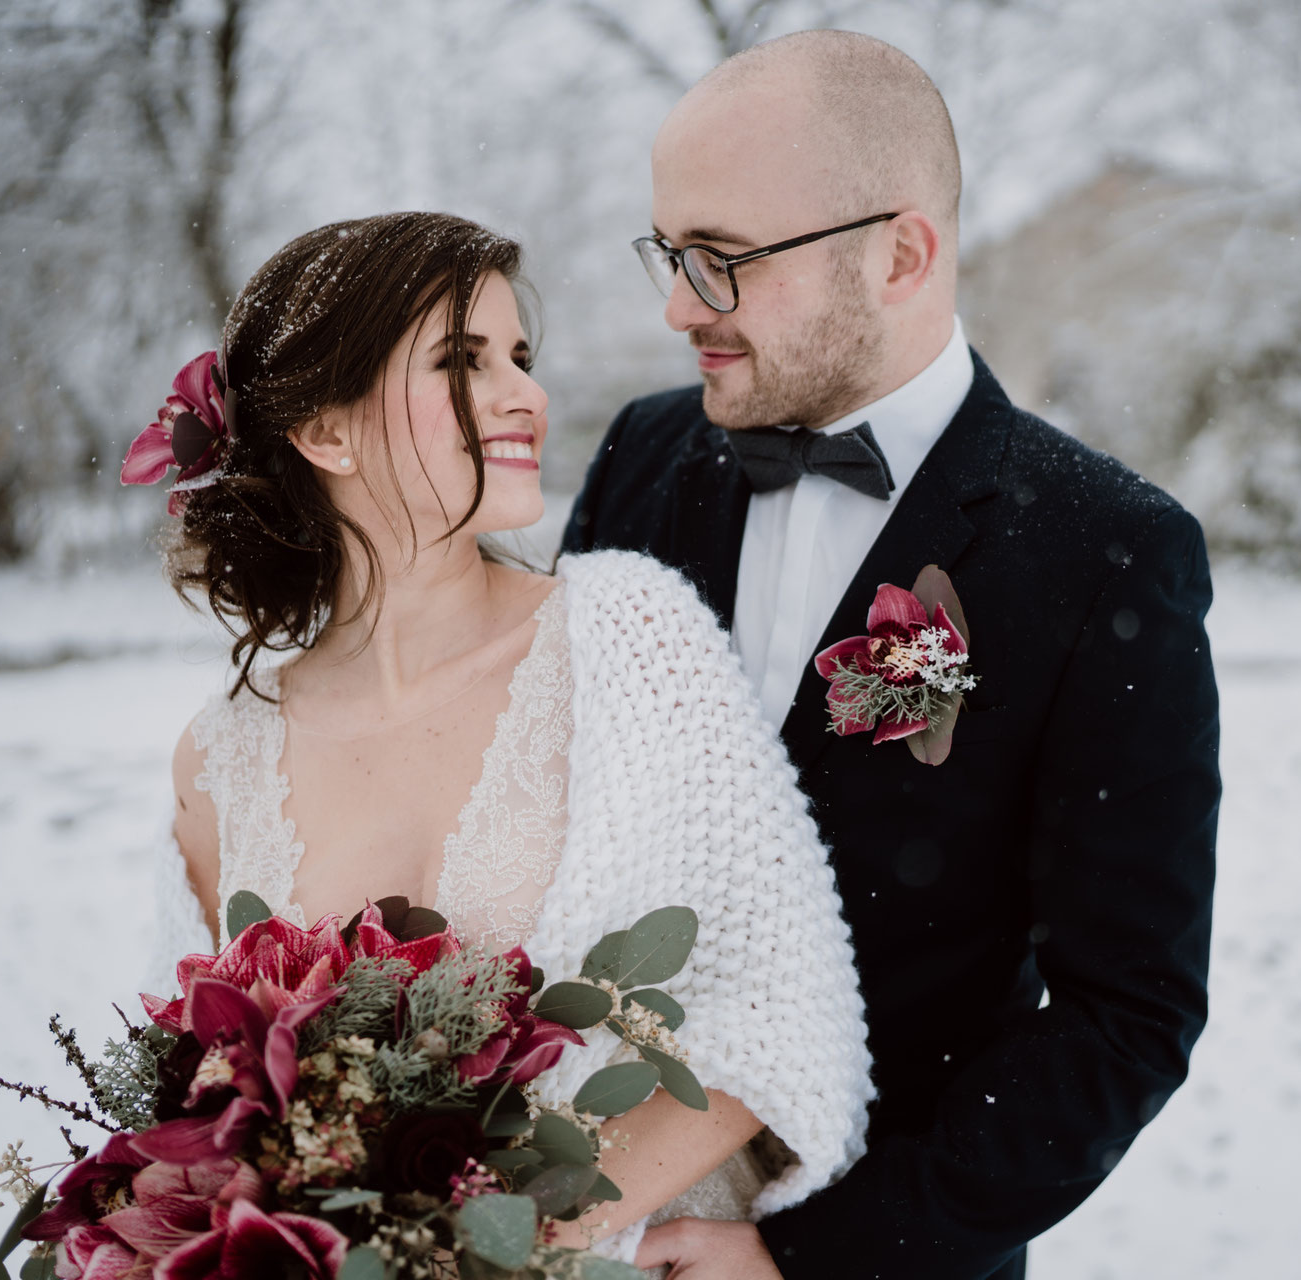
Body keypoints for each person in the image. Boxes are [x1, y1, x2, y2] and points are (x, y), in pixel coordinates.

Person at [563, 31, 1221, 1280]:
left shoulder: (1105, 554)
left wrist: (815, 1255)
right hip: (583, 1216)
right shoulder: (641, 458)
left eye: (721, 260)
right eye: (668, 252)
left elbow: (1125, 1015)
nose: (675, 306)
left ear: (903, 252)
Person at [142, 211, 872, 1262]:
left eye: (521, 357)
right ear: (326, 430)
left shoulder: (632, 631)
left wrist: (496, 1245)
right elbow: (206, 1118)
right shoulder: (220, 760)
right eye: (459, 360)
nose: (525, 391)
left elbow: (771, 1016)